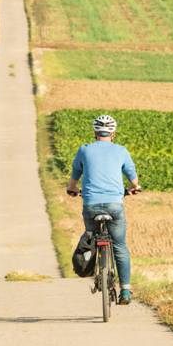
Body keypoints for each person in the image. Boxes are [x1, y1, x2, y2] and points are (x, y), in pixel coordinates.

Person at [67, 114, 141, 305]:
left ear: (95, 132)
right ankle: (125, 291)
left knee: (90, 236)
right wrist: (134, 187)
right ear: (113, 133)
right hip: (114, 205)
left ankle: (92, 267)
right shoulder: (121, 150)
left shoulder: (84, 150)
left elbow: (76, 173)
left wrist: (72, 189)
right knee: (119, 246)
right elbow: (132, 175)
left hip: (91, 204)